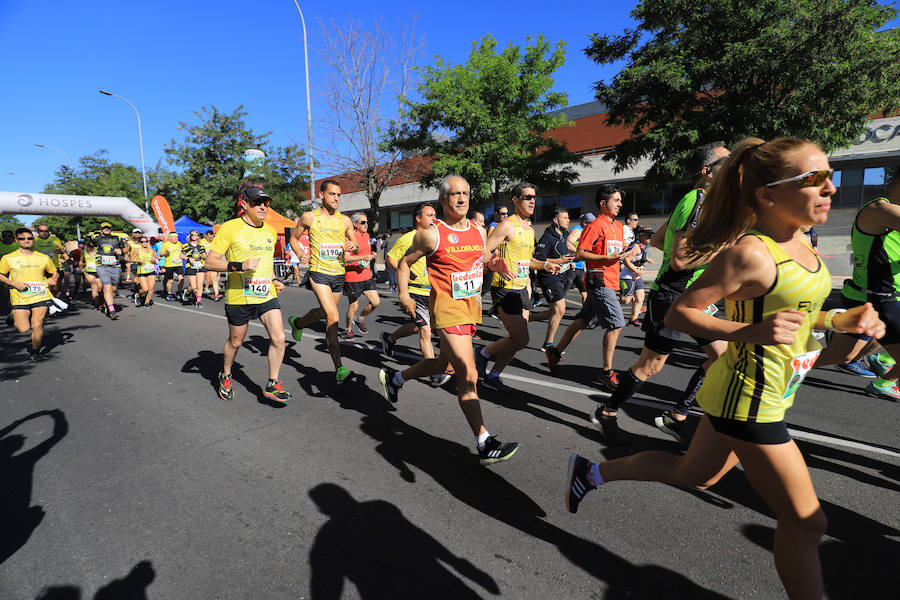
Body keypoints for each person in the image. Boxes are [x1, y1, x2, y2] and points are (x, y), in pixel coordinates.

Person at [565, 137, 885, 600]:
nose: (830, 188)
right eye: (814, 179)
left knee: (696, 474)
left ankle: (590, 473)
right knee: (807, 521)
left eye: (830, 175)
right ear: (768, 194)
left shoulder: (803, 244)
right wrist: (746, 334)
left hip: (770, 388)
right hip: (748, 400)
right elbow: (680, 313)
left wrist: (838, 320)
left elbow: (793, 313)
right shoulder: (750, 253)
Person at [587, 143, 732, 445]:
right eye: (726, 161)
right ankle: (608, 411)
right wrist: (722, 251)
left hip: (696, 296)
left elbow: (660, 239)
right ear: (707, 172)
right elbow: (679, 261)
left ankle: (677, 415)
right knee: (651, 365)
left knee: (723, 357)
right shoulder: (697, 200)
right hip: (672, 296)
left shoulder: (708, 203)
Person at [377, 175, 519, 465]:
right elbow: (404, 263)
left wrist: (493, 264)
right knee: (468, 374)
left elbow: (478, 261)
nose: (462, 198)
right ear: (443, 200)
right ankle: (484, 441)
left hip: (470, 307)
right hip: (445, 308)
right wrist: (404, 294)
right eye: (455, 194)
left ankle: (395, 378)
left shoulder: (479, 230)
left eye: (465, 193)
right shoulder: (432, 233)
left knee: (443, 365)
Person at [819, 166, 900, 400]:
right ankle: (884, 383)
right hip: (880, 299)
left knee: (841, 355)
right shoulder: (880, 209)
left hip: (874, 297)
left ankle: (773, 366)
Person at [545, 185, 637, 391]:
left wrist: (628, 254)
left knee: (582, 321)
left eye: (620, 200)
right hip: (599, 282)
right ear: (603, 204)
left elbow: (615, 253)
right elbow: (580, 253)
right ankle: (606, 373)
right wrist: (605, 257)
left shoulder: (619, 226)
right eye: (616, 200)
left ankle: (555, 352)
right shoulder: (595, 225)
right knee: (617, 324)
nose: (620, 204)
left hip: (612, 281)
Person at [204, 186, 290, 403]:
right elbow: (210, 262)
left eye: (265, 203)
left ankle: (273, 383)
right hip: (238, 296)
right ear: (244, 205)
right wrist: (239, 265)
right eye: (256, 203)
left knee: (279, 338)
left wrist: (273, 280)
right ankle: (225, 374)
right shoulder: (229, 228)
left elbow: (267, 263)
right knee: (235, 342)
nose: (262, 207)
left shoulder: (270, 231)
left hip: (266, 294)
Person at [477, 183, 561, 391]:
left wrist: (545, 265)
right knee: (521, 339)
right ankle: (482, 353)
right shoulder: (507, 226)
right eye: (527, 197)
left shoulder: (529, 228)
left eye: (534, 197)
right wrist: (494, 264)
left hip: (522, 289)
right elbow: (484, 252)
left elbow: (528, 260)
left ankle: (494, 374)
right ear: (515, 200)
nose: (533, 201)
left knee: (515, 340)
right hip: (504, 289)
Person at [288, 180, 359, 384]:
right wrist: (300, 252)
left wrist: (352, 245)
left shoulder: (345, 221)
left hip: (338, 274)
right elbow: (294, 238)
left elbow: (353, 244)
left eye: (339, 195)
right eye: (332, 194)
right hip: (318, 273)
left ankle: (298, 323)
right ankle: (339, 367)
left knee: (323, 313)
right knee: (333, 317)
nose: (336, 198)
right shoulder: (309, 217)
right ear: (321, 195)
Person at [381, 202, 452, 387]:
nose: (434, 218)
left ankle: (390, 337)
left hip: (435, 293)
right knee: (425, 330)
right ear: (418, 218)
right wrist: (405, 273)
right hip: (415, 291)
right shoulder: (408, 238)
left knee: (419, 326)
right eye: (430, 215)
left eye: (436, 215)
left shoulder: (438, 237)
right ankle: (435, 373)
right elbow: (390, 258)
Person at [0, 228, 58, 360]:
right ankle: (14, 315)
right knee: (24, 329)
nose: (26, 240)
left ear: (33, 239)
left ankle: (36, 352)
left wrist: (53, 279)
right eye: (22, 238)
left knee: (37, 324)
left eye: (29, 238)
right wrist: (14, 283)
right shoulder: (8, 258)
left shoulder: (43, 257)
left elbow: (54, 272)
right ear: (17, 240)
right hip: (19, 296)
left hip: (40, 294)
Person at [531, 206, 576, 348]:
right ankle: (548, 344)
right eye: (565, 218)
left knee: (553, 311)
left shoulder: (563, 235)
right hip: (549, 277)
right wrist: (559, 261)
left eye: (568, 217)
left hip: (561, 276)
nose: (568, 220)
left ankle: (527, 318)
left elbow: (562, 255)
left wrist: (569, 264)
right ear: (556, 220)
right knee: (560, 308)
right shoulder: (547, 237)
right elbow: (539, 259)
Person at [341, 212, 380, 339]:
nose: (366, 225)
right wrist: (363, 257)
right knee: (354, 305)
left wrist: (372, 255)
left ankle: (360, 318)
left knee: (375, 302)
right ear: (355, 224)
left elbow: (367, 253)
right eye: (363, 222)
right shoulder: (348, 238)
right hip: (352, 277)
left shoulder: (367, 235)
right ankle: (348, 330)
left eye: (367, 222)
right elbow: (345, 258)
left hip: (366, 275)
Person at [86, 222, 126, 319]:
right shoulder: (96, 238)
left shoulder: (117, 238)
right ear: (101, 229)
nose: (106, 229)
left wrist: (120, 251)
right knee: (107, 287)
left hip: (115, 266)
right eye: (104, 228)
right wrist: (91, 252)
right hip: (102, 266)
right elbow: (88, 246)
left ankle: (106, 303)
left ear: (111, 228)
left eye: (108, 227)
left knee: (114, 289)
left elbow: (125, 249)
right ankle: (111, 310)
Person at [620, 227, 652, 327]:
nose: (650, 238)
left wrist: (647, 259)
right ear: (641, 235)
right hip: (627, 276)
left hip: (636, 276)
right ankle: (607, 300)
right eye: (648, 236)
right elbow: (626, 260)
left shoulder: (643, 246)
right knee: (626, 300)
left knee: (640, 297)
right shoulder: (636, 247)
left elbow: (639, 256)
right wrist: (636, 270)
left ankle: (633, 319)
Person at [32, 224, 68, 295]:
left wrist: (59, 251)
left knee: (55, 286)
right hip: (39, 268)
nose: (44, 232)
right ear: (38, 232)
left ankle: (55, 298)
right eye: (41, 231)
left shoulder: (55, 239)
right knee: (43, 286)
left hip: (54, 267)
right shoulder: (34, 240)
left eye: (46, 231)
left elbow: (63, 250)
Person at [566, 214, 592, 305]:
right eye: (591, 223)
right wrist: (580, 253)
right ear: (585, 223)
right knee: (561, 292)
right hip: (571, 266)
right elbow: (568, 245)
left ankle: (584, 315)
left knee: (585, 293)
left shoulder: (585, 231)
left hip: (580, 267)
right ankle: (538, 296)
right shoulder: (577, 230)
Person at [130, 236, 158, 307]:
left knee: (151, 288)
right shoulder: (137, 250)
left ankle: (147, 302)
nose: (144, 243)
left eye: (145, 241)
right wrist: (138, 260)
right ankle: (138, 295)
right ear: (140, 243)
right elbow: (132, 259)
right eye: (142, 242)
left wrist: (154, 260)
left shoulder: (151, 249)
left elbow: (155, 259)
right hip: (142, 271)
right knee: (145, 289)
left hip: (151, 270)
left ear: (148, 242)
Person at [181, 230, 207, 307]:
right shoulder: (186, 245)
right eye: (192, 235)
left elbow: (204, 255)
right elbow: (180, 254)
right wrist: (188, 259)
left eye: (196, 234)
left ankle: (198, 301)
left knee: (200, 285)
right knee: (193, 286)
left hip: (200, 266)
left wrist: (206, 256)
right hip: (190, 267)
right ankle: (187, 292)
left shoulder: (201, 247)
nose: (194, 236)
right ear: (190, 236)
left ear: (198, 236)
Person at [159, 231, 184, 302]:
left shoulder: (179, 243)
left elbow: (181, 253)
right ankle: (169, 294)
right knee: (170, 280)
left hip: (179, 264)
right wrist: (167, 251)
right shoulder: (166, 244)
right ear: (170, 238)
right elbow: (161, 254)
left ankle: (178, 292)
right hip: (169, 265)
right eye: (174, 237)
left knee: (181, 278)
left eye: (176, 237)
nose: (176, 238)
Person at [200, 230, 222, 301]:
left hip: (211, 263)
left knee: (214, 279)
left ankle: (216, 294)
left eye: (212, 237)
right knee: (199, 281)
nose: (211, 239)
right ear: (206, 235)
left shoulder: (215, 242)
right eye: (209, 237)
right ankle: (190, 291)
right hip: (202, 263)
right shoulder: (201, 241)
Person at [81, 240, 102, 310]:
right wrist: (80, 268)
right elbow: (81, 260)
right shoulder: (84, 251)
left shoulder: (99, 250)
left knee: (100, 287)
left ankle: (98, 300)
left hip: (98, 271)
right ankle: (97, 304)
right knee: (94, 286)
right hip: (89, 271)